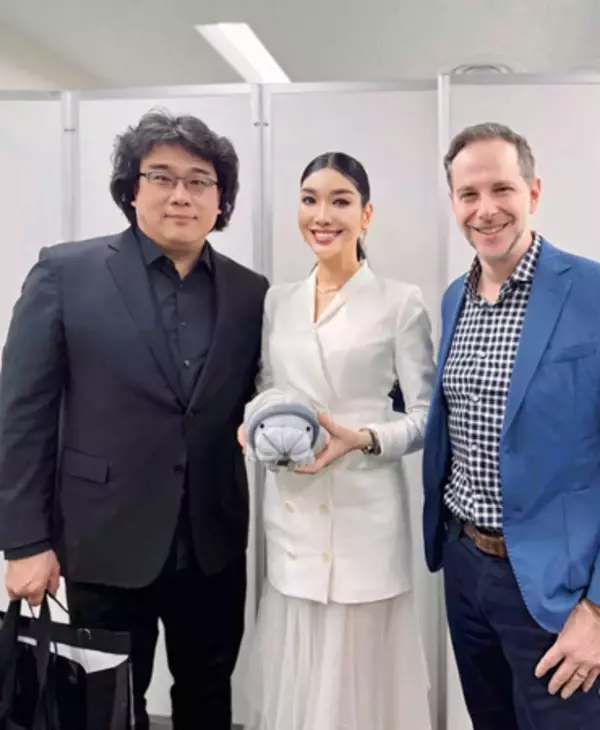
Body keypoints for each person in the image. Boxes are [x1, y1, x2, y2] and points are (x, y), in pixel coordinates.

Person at [0, 110, 268, 730]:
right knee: (107, 711)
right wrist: (26, 542)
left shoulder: (251, 292)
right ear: (132, 189)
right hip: (103, 541)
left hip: (212, 542)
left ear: (221, 199)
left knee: (209, 698)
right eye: (162, 177)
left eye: (199, 181)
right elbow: (23, 414)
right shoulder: (66, 273)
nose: (181, 195)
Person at [241, 152, 435, 730]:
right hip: (294, 513)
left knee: (359, 691)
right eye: (310, 200)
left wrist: (365, 438)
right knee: (299, 688)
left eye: (340, 201)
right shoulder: (279, 301)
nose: (322, 215)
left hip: (364, 520)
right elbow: (267, 386)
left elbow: (427, 416)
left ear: (366, 214)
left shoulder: (400, 301)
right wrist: (254, 421)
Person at [422, 122, 600, 729]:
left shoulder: (591, 292)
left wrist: (598, 610)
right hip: (466, 567)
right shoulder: (455, 298)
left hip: (560, 586)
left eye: (502, 189)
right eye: (468, 194)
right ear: (454, 203)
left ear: (533, 191)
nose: (486, 209)